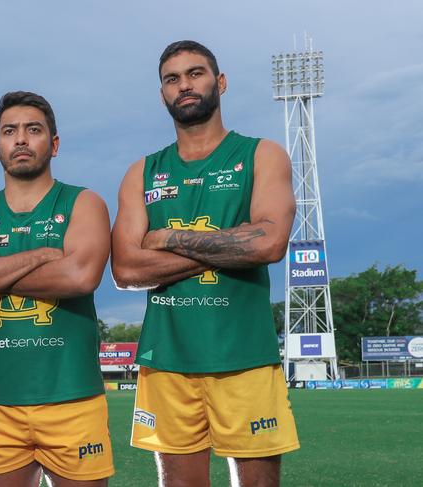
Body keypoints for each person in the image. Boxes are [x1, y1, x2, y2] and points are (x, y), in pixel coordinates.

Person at [111, 41, 300, 487]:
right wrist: (227, 243)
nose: (184, 85)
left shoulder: (261, 155)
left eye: (195, 73)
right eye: (172, 79)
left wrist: (168, 240)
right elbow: (125, 269)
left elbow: (269, 242)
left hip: (245, 354)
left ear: (221, 82)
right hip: (167, 357)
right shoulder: (142, 172)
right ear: (162, 94)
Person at [0, 91, 114, 487]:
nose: (20, 139)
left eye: (33, 130)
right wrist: (39, 256)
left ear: (53, 144)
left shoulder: (84, 203)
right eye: (9, 131)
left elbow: (80, 277)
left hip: (72, 396)